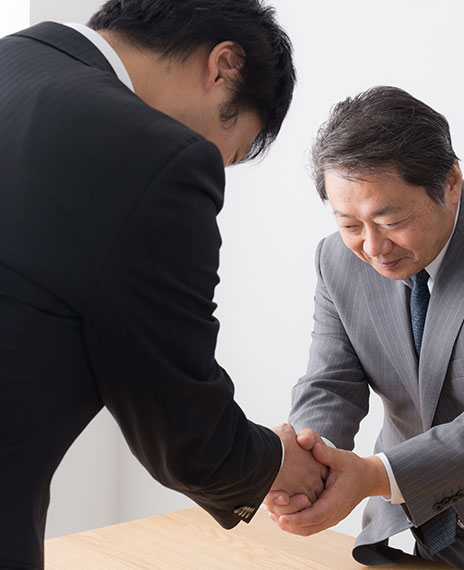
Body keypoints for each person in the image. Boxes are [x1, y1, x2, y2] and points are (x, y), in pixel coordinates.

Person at [0, 2, 326, 569]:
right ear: (223, 66)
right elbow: (185, 431)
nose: (218, 164)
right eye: (233, 150)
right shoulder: (157, 156)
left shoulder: (13, 61)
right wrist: (279, 462)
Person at [265, 86, 464, 570]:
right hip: (417, 534)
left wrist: (369, 475)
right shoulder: (335, 261)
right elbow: (331, 383)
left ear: (450, 181)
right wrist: (305, 463)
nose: (373, 247)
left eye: (391, 219)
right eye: (349, 224)